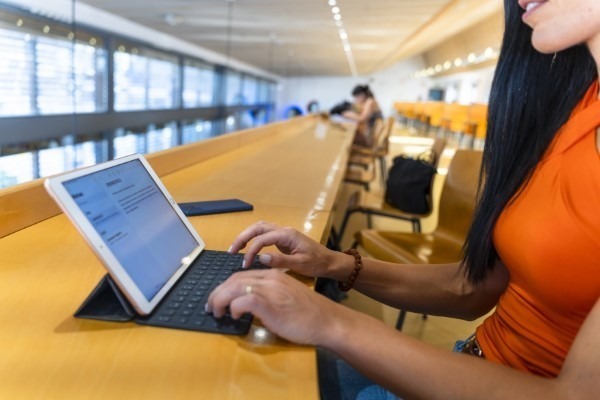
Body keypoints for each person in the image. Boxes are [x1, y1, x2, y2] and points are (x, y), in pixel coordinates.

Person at [207, 0, 600, 398]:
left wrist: (332, 322)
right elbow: (472, 289)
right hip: (467, 363)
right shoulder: (575, 111)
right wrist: (332, 263)